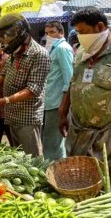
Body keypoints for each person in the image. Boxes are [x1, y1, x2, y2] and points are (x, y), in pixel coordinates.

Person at [58, 6, 111, 189]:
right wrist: (63, 111)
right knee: (83, 176)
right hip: (80, 128)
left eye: (83, 31)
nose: (80, 36)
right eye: (78, 32)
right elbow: (74, 82)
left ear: (99, 26)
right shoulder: (83, 49)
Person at [0, 13, 50, 156]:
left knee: (33, 160)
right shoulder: (15, 53)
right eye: (0, 37)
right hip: (11, 115)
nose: (2, 41)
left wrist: (4, 100)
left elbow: (33, 89)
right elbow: (2, 76)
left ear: (19, 32)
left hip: (27, 118)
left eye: (4, 36)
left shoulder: (39, 54)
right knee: (18, 158)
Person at [41, 21, 74, 161]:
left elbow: (69, 78)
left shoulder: (63, 48)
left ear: (61, 33)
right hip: (48, 100)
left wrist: (63, 105)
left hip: (57, 102)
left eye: (52, 32)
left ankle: (56, 172)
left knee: (53, 142)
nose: (49, 35)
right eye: (47, 33)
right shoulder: (51, 48)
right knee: (49, 140)